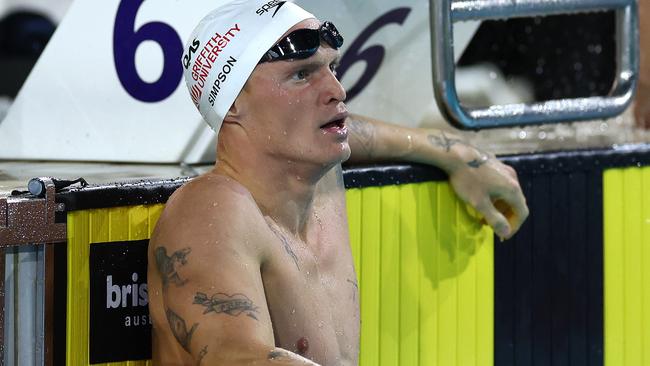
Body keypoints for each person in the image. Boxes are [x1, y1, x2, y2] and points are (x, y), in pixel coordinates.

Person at [147, 1, 528, 365]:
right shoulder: (213, 210)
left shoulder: (318, 168)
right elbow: (233, 356)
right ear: (232, 104)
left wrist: (456, 153)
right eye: (301, 74)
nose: (336, 90)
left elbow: (353, 129)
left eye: (332, 69)